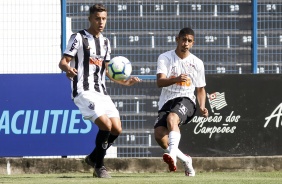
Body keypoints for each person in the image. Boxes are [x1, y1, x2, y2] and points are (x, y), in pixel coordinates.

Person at [58, 4, 141, 178]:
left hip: (101, 92)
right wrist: (68, 69)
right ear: (90, 19)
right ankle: (99, 166)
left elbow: (108, 72)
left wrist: (126, 82)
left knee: (117, 129)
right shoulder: (78, 38)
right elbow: (63, 61)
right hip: (83, 90)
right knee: (106, 125)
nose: (101, 22)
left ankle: (94, 157)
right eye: (97, 18)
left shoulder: (105, 42)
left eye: (103, 19)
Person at [154, 27, 208, 177]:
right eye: (184, 39)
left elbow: (200, 89)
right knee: (159, 136)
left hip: (187, 100)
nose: (186, 43)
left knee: (172, 118)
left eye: (189, 41)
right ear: (177, 39)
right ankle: (186, 160)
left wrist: (202, 106)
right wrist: (176, 79)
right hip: (166, 101)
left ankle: (171, 156)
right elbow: (160, 82)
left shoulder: (197, 63)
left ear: (193, 43)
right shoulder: (165, 58)